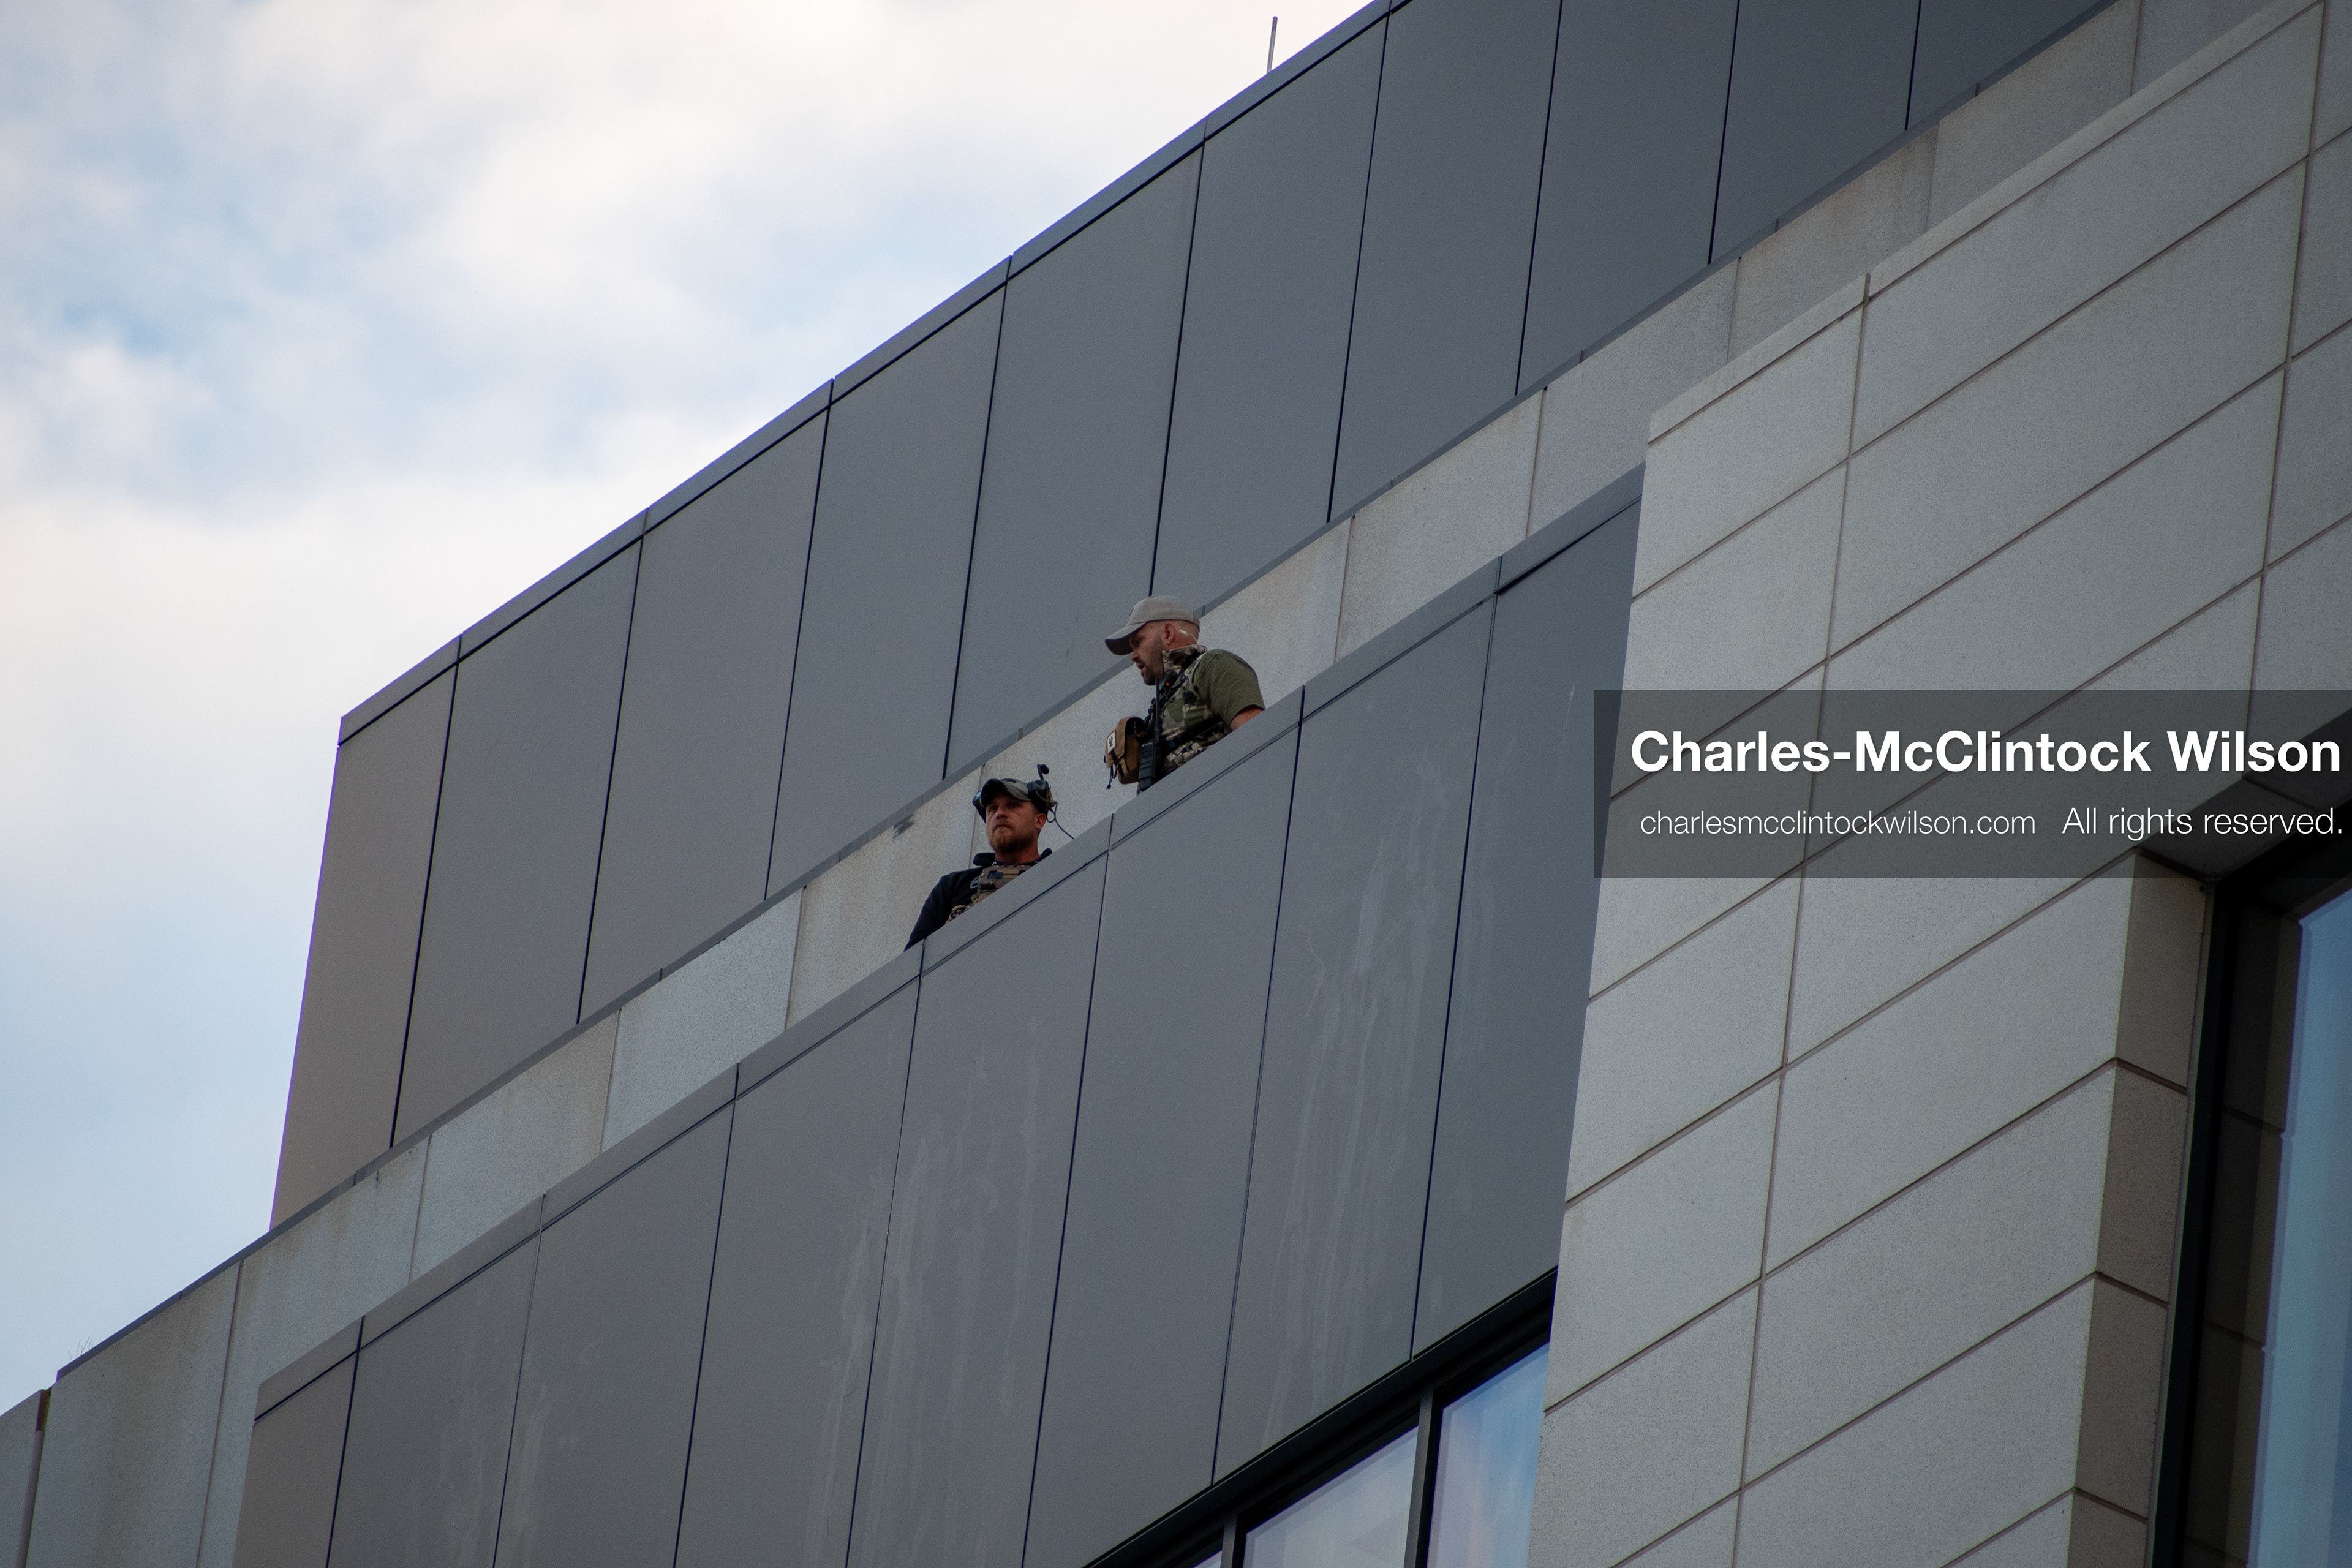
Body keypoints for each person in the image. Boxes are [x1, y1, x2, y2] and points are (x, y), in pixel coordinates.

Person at [1102, 596, 1264, 791]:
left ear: (1168, 634)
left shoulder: (1212, 665)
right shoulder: (1161, 704)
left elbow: (1259, 739)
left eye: (1138, 642)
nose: (1133, 655)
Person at [905, 773, 1056, 947]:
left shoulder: (1058, 875)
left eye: (1013, 805)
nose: (999, 813)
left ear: (1039, 820)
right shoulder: (952, 887)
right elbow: (913, 964)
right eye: (992, 809)